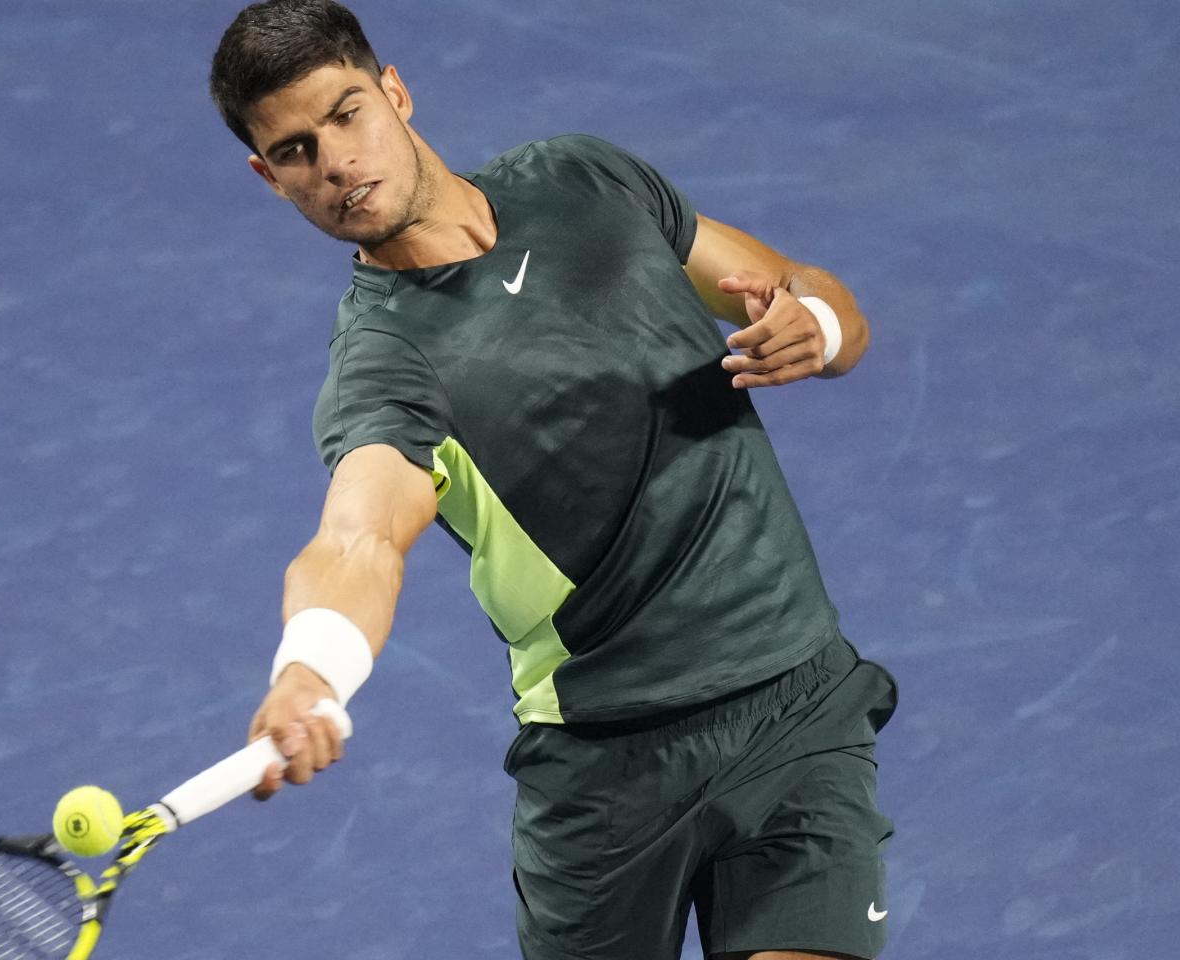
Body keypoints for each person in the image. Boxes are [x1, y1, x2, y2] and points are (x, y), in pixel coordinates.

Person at [207, 3, 900, 958]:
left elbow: (817, 295)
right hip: (606, 774)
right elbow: (358, 539)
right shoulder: (386, 365)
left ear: (395, 90)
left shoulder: (585, 180)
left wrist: (815, 330)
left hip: (793, 700)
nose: (334, 163)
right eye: (292, 150)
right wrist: (311, 669)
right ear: (266, 176)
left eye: (347, 113)